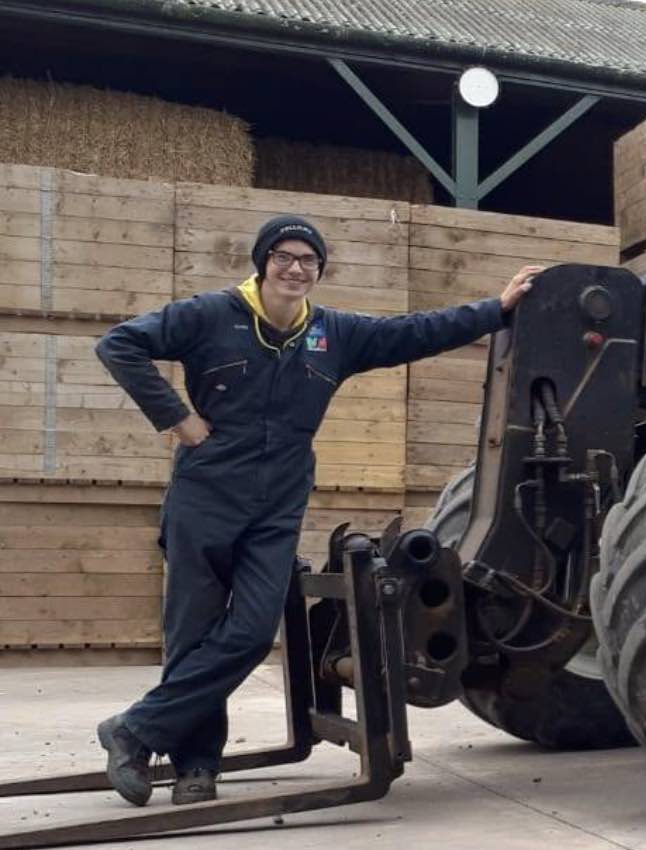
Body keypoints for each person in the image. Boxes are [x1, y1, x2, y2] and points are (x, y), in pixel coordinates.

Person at [92, 214, 541, 805]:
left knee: (252, 631)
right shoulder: (210, 315)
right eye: (284, 256)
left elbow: (414, 332)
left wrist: (496, 309)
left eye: (308, 260)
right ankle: (197, 766)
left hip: (277, 502)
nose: (295, 268)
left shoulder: (335, 334)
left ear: (319, 271)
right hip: (205, 495)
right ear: (263, 261)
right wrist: (177, 419)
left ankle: (134, 730)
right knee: (192, 633)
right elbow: (119, 343)